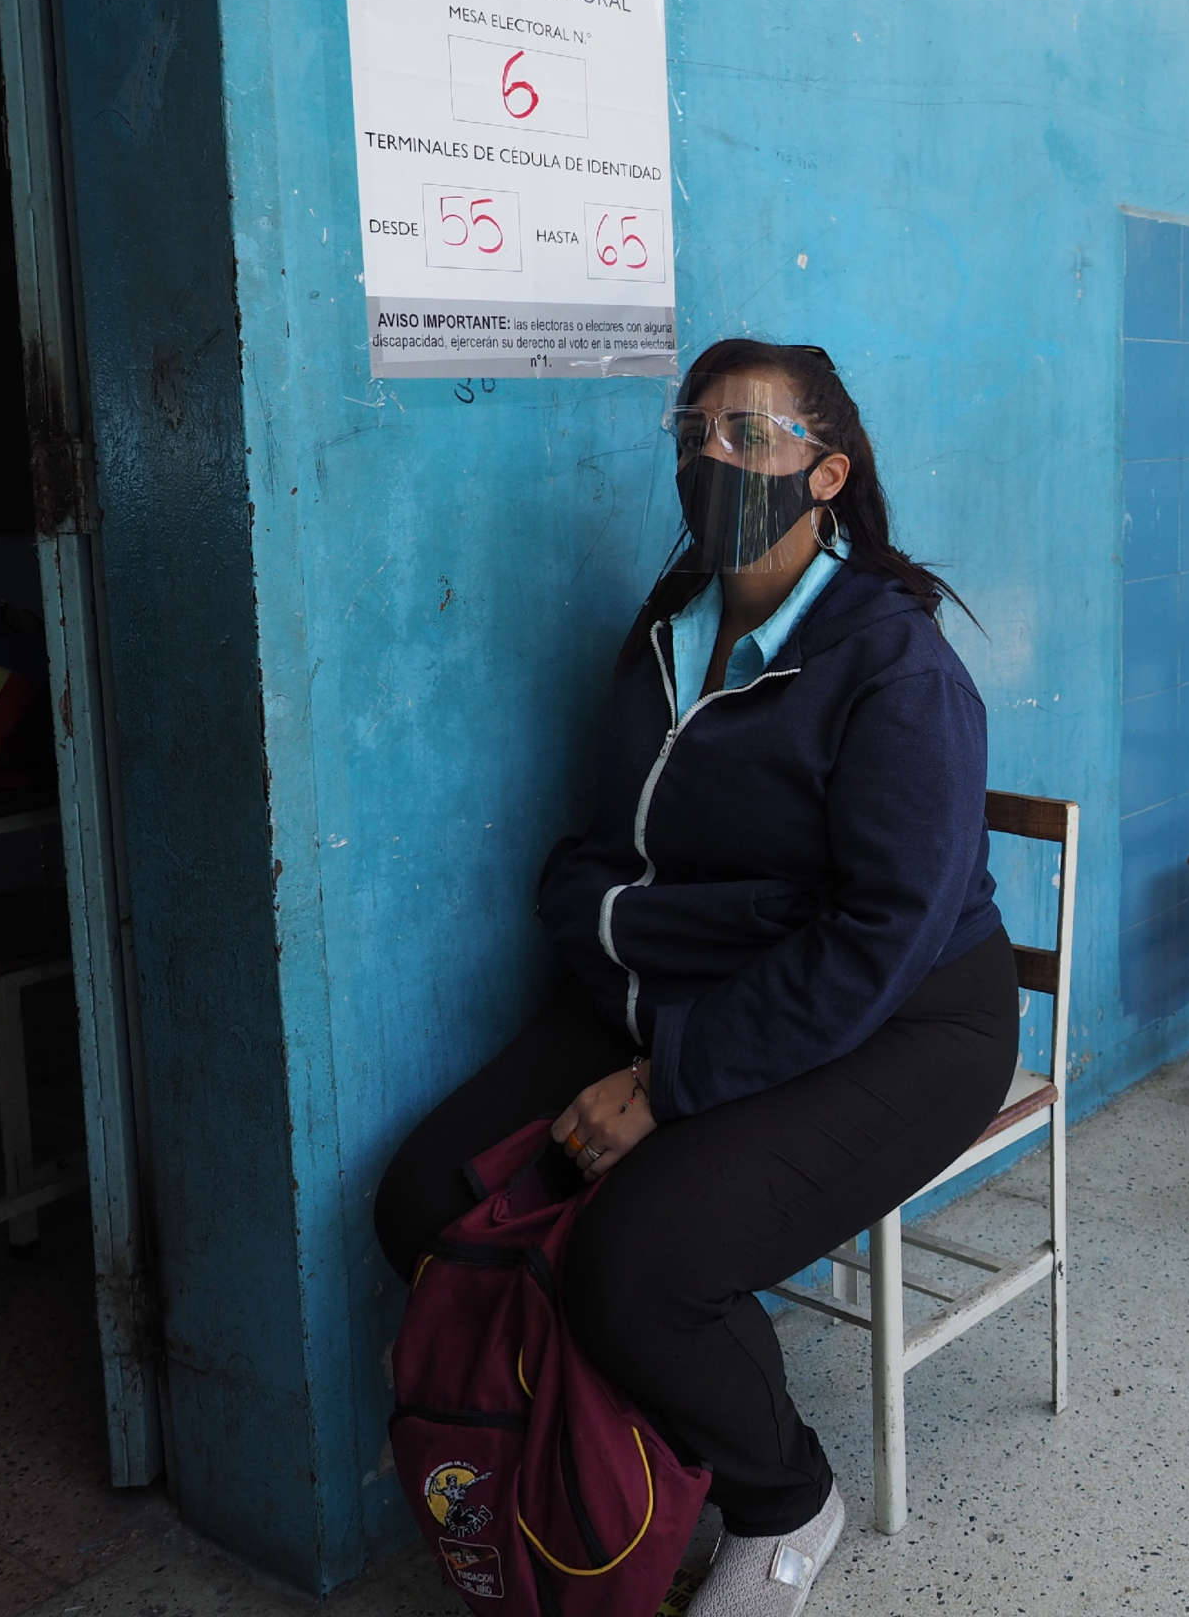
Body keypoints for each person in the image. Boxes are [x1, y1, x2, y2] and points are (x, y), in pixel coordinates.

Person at [376, 339, 1013, 1614]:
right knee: (422, 1198)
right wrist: (604, 946)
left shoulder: (893, 667)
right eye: (693, 436)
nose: (707, 460)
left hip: (903, 1022)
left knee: (642, 1264)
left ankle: (782, 1500)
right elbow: (605, 841)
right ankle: (626, 1442)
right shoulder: (668, 632)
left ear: (826, 473)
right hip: (670, 995)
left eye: (747, 437)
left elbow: (879, 933)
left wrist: (668, 1086)